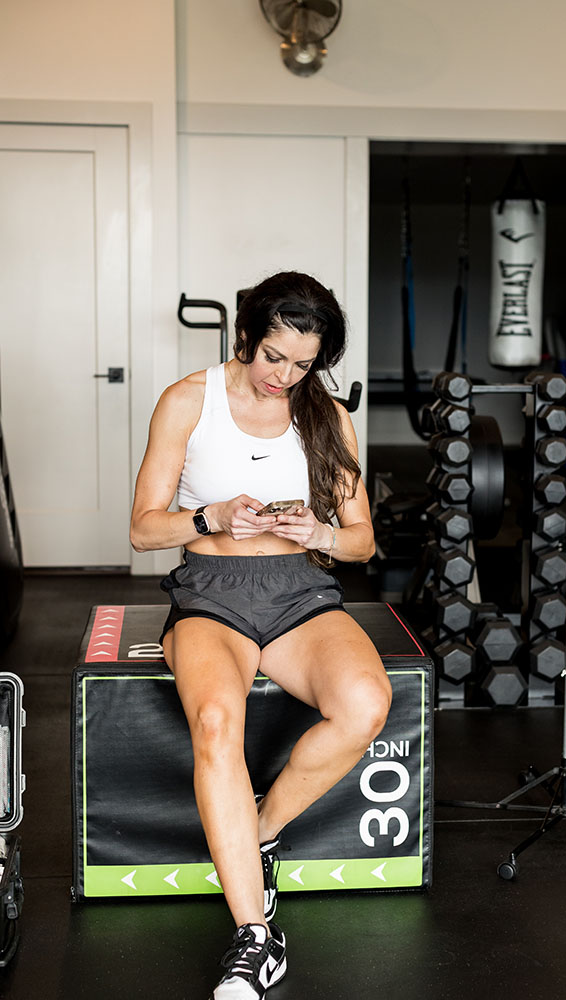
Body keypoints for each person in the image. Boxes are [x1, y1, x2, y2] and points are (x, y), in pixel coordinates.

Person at [130, 270, 392, 1000]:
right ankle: (255, 938)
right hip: (210, 593)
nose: (286, 376)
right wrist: (210, 518)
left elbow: (362, 542)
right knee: (217, 721)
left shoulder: (328, 417)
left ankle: (259, 831)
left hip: (298, 591)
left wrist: (318, 531)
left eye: (304, 364)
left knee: (366, 705)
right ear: (246, 336)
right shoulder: (189, 400)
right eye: (274, 356)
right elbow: (142, 527)